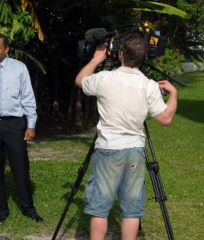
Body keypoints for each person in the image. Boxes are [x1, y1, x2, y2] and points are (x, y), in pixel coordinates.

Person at [75, 33, 178, 240]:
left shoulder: (105, 78)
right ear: (144, 58)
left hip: (107, 149)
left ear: (121, 54)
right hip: (134, 151)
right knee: (132, 208)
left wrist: (96, 59)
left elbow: (80, 80)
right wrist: (173, 95)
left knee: (99, 207)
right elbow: (165, 119)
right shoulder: (148, 85)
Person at [0, 33, 43, 225]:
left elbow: (27, 97)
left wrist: (31, 124)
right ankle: (1, 211)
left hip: (14, 124)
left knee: (20, 166)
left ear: (6, 49)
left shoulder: (19, 68)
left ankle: (28, 208)